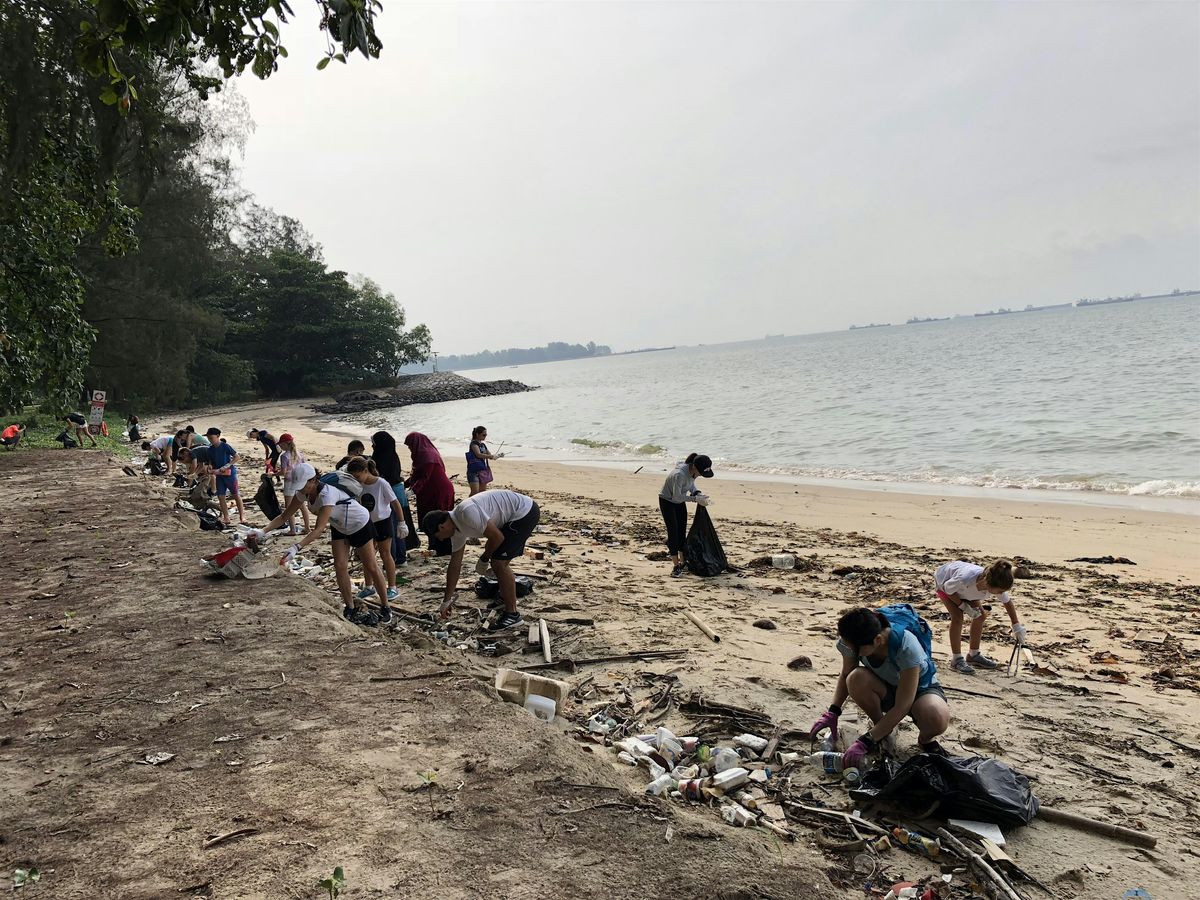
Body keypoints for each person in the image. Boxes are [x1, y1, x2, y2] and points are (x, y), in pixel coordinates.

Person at [809, 605, 951, 769]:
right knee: (855, 678)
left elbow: (902, 705)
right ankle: (882, 729)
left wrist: (865, 741)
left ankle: (925, 740)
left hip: (919, 691)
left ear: (877, 640)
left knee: (936, 717)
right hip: (884, 686)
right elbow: (847, 673)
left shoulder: (906, 645)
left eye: (856, 650)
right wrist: (833, 712)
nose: (852, 652)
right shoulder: (852, 640)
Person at [266, 463, 390, 626]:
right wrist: (262, 531)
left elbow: (318, 529)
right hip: (339, 526)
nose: (301, 489)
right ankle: (350, 607)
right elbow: (284, 516)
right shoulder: (304, 493)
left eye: (303, 485)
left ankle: (386, 608)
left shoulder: (327, 495)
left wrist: (296, 547)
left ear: (313, 481)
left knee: (371, 566)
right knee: (340, 566)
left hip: (359, 524)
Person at [423, 489, 540, 631]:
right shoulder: (456, 530)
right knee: (499, 559)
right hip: (513, 514)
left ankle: (512, 614)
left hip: (524, 512)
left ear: (442, 526)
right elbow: (455, 565)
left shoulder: (466, 513)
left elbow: (497, 537)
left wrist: (484, 558)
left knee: (498, 563)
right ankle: (505, 597)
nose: (441, 539)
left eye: (438, 536)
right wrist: (446, 601)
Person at [935, 559, 1025, 675]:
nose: (1001, 593)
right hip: (944, 583)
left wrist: (1016, 625)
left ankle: (973, 655)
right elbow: (948, 589)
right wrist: (963, 606)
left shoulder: (996, 581)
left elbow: (1007, 602)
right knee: (958, 617)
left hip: (965, 591)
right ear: (988, 584)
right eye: (1001, 591)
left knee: (980, 616)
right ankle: (956, 659)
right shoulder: (965, 579)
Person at [346, 457, 407, 604]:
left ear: (366, 471)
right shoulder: (358, 485)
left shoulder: (381, 483)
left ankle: (392, 586)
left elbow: (395, 503)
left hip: (383, 522)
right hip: (366, 522)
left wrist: (401, 522)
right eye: (353, 477)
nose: (357, 479)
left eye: (358, 476)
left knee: (386, 554)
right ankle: (369, 586)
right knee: (368, 556)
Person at [658, 453, 714, 577]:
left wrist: (697, 493)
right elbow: (676, 496)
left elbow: (690, 483)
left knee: (681, 532)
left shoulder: (691, 471)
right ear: (694, 467)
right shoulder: (679, 475)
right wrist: (695, 499)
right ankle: (676, 566)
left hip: (679, 502)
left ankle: (683, 562)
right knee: (673, 532)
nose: (699, 475)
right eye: (700, 473)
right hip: (667, 501)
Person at [404, 432, 456, 555]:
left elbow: (424, 477)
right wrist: (404, 485)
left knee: (438, 521)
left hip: (438, 491)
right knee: (429, 520)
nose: (410, 448)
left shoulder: (427, 456)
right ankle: (434, 546)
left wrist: (412, 490)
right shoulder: (422, 455)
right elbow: (416, 475)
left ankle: (443, 549)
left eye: (410, 445)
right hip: (429, 492)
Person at [371, 430, 418, 558]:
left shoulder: (379, 459)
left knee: (391, 527)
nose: (373, 447)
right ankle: (401, 555)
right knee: (399, 524)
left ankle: (395, 556)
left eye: (374, 443)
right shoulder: (393, 455)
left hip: (390, 493)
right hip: (399, 491)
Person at [204, 427, 246, 525]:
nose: (210, 440)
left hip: (230, 473)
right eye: (208, 438)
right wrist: (210, 467)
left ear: (218, 436)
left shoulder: (225, 446)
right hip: (219, 475)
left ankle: (242, 516)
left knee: (236, 494)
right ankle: (226, 517)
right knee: (221, 496)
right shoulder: (210, 449)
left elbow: (237, 457)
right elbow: (210, 461)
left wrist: (227, 465)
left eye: (211, 437)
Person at [277, 433, 311, 534]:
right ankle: (307, 527)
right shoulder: (299, 454)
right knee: (301, 505)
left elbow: (283, 472)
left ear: (285, 444)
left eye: (281, 444)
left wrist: (274, 474)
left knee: (289, 507)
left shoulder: (284, 456)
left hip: (289, 483)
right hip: (300, 482)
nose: (280, 446)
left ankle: (292, 529)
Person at [466, 425, 504, 496]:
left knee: (482, 493)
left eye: (486, 435)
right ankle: (467, 505)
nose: (485, 436)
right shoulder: (473, 444)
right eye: (483, 434)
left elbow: (490, 456)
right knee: (474, 492)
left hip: (482, 470)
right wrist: (491, 456)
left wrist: (498, 456)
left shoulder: (483, 445)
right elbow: (478, 454)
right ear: (477, 434)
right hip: (473, 471)